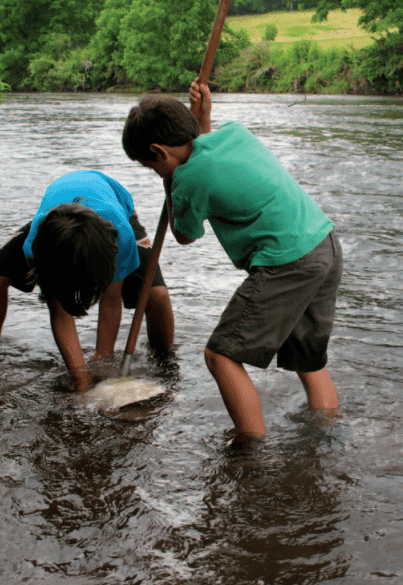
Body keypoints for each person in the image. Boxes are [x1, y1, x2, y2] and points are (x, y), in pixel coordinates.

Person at [122, 81, 342, 444]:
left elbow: (185, 234)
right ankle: (327, 435)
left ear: (159, 152)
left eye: (150, 166)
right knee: (308, 360)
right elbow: (203, 153)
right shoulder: (233, 134)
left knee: (220, 354)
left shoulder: (187, 177)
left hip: (288, 261)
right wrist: (204, 117)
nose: (155, 172)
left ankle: (250, 447)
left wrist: (170, 181)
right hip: (324, 244)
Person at [0, 170, 175, 392]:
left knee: (157, 295)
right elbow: (60, 314)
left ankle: (166, 360)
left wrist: (102, 364)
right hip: (59, 222)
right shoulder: (38, 246)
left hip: (117, 210)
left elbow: (111, 302)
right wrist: (81, 380)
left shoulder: (120, 237)